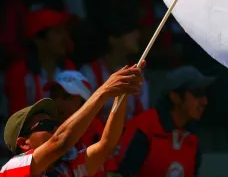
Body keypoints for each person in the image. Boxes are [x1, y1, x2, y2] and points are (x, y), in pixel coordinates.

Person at [0, 62, 144, 176]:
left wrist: (122, 94)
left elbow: (106, 145)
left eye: (54, 124)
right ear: (23, 143)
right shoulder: (12, 168)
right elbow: (60, 141)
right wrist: (104, 91)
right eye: (47, 124)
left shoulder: (65, 169)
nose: (55, 128)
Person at [115, 66, 212, 177]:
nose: (205, 101)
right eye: (197, 93)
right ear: (175, 97)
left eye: (205, 94)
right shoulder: (144, 129)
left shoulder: (192, 138)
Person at [44, 70, 117, 175]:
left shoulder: (96, 127)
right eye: (54, 96)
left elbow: (110, 171)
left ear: (84, 103)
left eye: (66, 97)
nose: (57, 102)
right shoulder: (43, 129)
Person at [80, 11, 149, 123]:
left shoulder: (137, 73)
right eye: (129, 31)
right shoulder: (89, 73)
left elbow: (142, 115)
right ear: (113, 39)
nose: (137, 35)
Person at [4, 8, 75, 115]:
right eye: (57, 32)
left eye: (65, 31)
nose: (65, 37)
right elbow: (17, 120)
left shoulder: (69, 67)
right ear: (38, 39)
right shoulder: (20, 72)